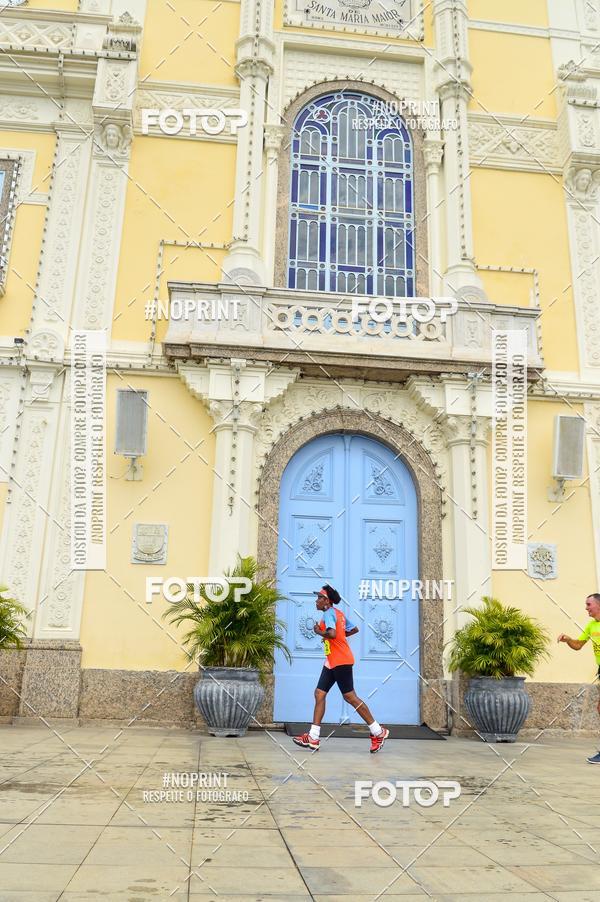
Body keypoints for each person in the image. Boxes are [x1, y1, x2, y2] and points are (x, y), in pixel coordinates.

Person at [292, 584, 389, 754]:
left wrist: (319, 632)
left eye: (319, 598)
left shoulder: (329, 613)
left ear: (326, 601)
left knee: (350, 697)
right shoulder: (339, 614)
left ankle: (378, 731)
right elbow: (353, 629)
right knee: (319, 693)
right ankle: (313, 737)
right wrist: (335, 639)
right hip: (332, 661)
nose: (316, 601)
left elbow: (332, 634)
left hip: (341, 661)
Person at [558, 593, 600, 763]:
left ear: (598, 605)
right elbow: (578, 645)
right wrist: (568, 639)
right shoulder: (591, 626)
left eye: (589, 604)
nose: (586, 608)